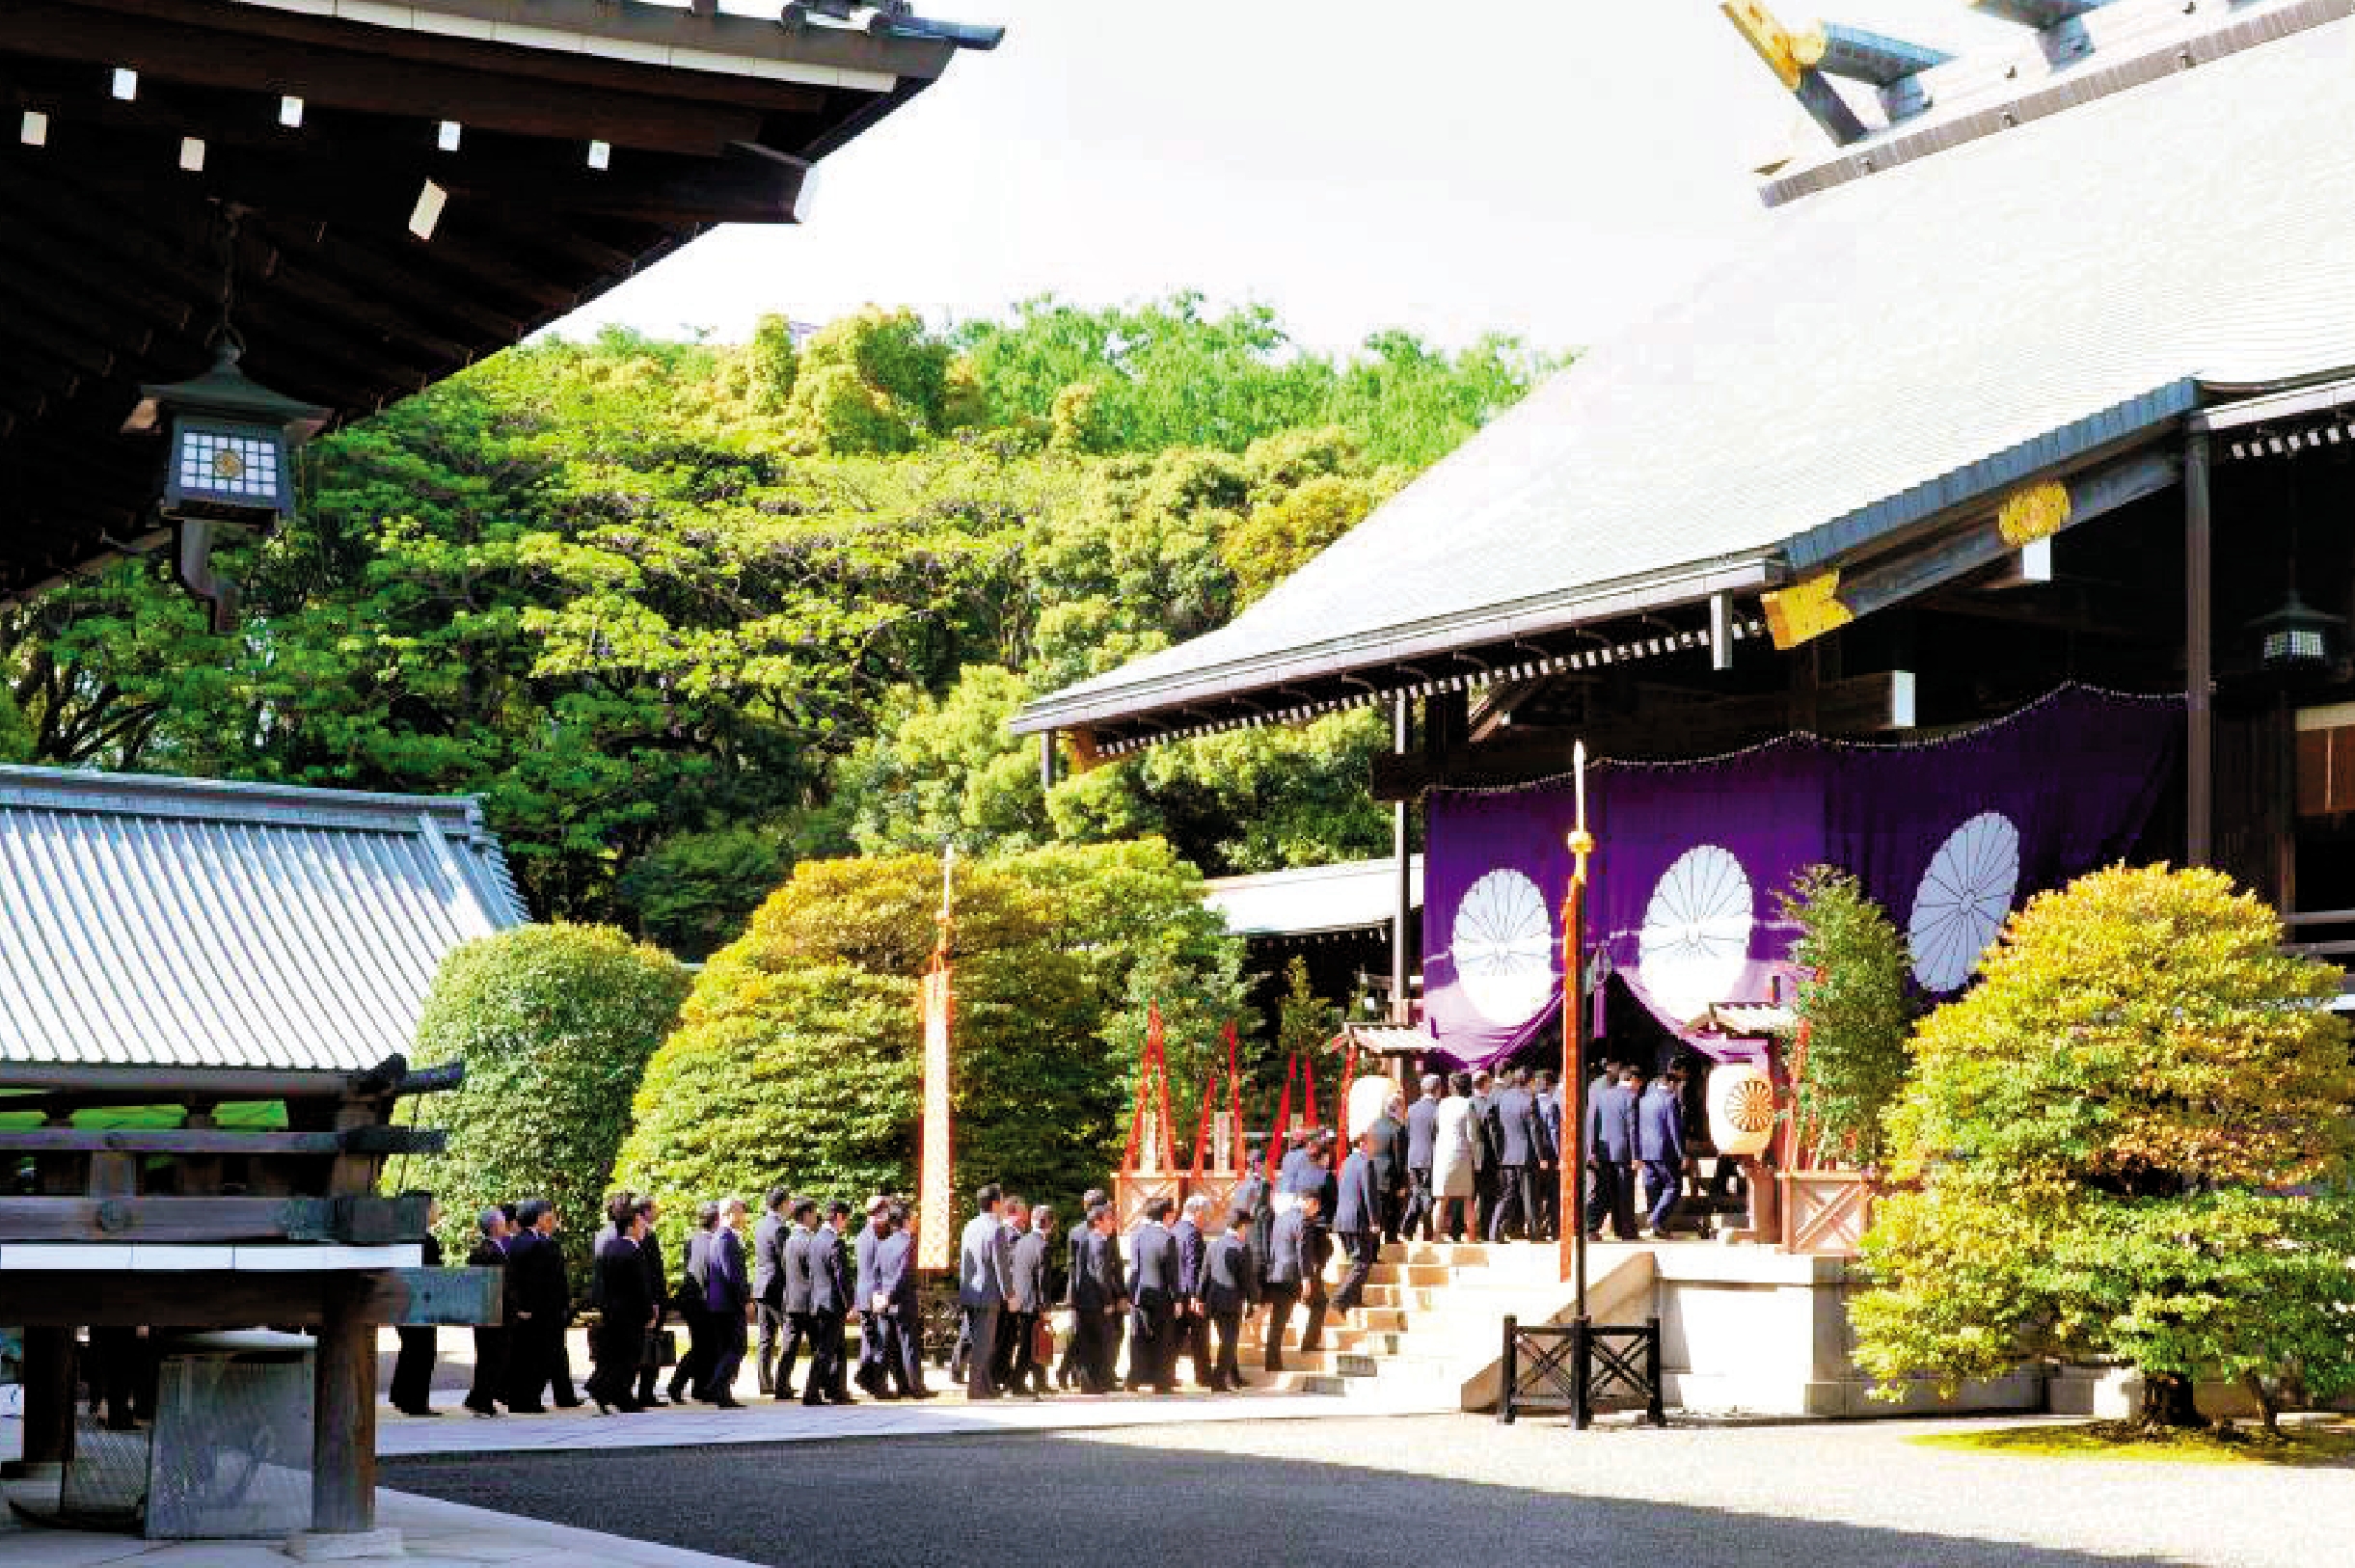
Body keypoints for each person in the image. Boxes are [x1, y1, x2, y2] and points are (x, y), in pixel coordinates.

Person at [587, 1195, 656, 1414]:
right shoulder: (634, 1251)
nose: (644, 1227)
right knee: (629, 1357)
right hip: (631, 1313)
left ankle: (616, 1394)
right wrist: (649, 1312)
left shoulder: (610, 1248)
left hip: (612, 1311)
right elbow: (640, 1286)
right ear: (630, 1226)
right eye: (641, 1224)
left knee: (614, 1354)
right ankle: (610, 1391)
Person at [502, 1198, 571, 1413]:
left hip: (534, 1309)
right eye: (547, 1217)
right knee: (535, 1358)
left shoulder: (523, 1241)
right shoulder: (534, 1243)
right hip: (538, 1311)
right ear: (538, 1218)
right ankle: (527, 1399)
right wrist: (525, 1306)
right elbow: (533, 1280)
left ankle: (523, 1399)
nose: (551, 1221)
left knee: (527, 1356)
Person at [389, 1195, 444, 1417]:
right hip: (421, 1303)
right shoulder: (425, 1241)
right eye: (434, 1206)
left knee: (410, 1349)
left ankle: (401, 1395)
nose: (437, 1210)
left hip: (401, 1302)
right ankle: (415, 1402)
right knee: (423, 1352)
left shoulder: (400, 1237)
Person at [958, 1182, 1012, 1399]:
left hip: (970, 1291)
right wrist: (1010, 1294)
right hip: (988, 1293)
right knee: (984, 1344)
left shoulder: (969, 1226)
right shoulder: (996, 1229)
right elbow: (1000, 1265)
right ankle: (977, 1388)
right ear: (995, 1203)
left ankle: (986, 1386)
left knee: (979, 1341)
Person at [872, 1203, 930, 1398]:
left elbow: (877, 1274)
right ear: (905, 1220)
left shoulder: (883, 1243)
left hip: (885, 1302)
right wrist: (890, 1296)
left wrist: (880, 1295)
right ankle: (915, 1386)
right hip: (902, 1301)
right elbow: (903, 1274)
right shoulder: (909, 1243)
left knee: (886, 1346)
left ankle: (881, 1384)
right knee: (908, 1345)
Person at [1201, 1205, 1259, 1391]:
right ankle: (1218, 1380)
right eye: (1246, 1227)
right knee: (1229, 1342)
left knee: (1226, 1340)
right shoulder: (1242, 1248)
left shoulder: (1212, 1244)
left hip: (1213, 1300)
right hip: (1232, 1302)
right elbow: (1247, 1279)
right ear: (1241, 1227)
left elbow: (1204, 1274)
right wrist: (1254, 1301)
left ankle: (1233, 1377)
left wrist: (1199, 1297)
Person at [1057, 1187, 1108, 1390]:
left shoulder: (1076, 1230)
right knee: (1085, 1336)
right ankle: (1076, 1373)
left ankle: (1081, 1373)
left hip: (1080, 1288)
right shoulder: (1089, 1230)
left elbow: (1071, 1265)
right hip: (1091, 1291)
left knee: (1081, 1335)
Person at [1125, 1197, 1178, 1393]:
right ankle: (1161, 1381)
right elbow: (1172, 1273)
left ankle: (1135, 1378)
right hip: (1162, 1295)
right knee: (1163, 1340)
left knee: (1139, 1338)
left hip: (1140, 1293)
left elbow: (1135, 1267)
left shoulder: (1139, 1235)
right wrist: (1178, 1298)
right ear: (1166, 1215)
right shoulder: (1168, 1238)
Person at [1260, 1189, 1317, 1373]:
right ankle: (1305, 1345)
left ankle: (1272, 1360)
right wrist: (1306, 1278)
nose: (1315, 1211)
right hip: (1292, 1276)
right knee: (1318, 1304)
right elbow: (1303, 1252)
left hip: (1276, 1272)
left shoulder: (1281, 1217)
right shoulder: (1302, 1221)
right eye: (1315, 1206)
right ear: (1309, 1202)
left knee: (1278, 1320)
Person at [803, 1200, 853, 1405]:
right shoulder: (834, 1242)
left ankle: (837, 1390)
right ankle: (812, 1392)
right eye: (846, 1220)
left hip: (818, 1302)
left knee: (837, 1349)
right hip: (832, 1304)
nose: (846, 1224)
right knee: (826, 1350)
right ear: (840, 1217)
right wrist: (850, 1303)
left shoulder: (815, 1240)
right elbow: (841, 1276)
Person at [669, 1201, 718, 1405]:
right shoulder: (707, 1242)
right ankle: (677, 1385)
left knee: (704, 1346)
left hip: (693, 1299)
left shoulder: (694, 1240)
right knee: (703, 1346)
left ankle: (700, 1387)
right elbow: (702, 1274)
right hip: (699, 1301)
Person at [1487, 1068, 1545, 1243]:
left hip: (1508, 1154)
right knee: (1530, 1196)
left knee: (1507, 1195)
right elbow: (1534, 1131)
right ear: (1530, 1081)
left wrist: (1500, 1150)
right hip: (1526, 1155)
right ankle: (1535, 1233)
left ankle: (1494, 1231)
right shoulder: (1529, 1100)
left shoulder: (1502, 1098)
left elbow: (1495, 1126)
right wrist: (1541, 1156)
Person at [702, 1198, 749, 1406]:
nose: (743, 1217)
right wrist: (745, 1299)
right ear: (730, 1213)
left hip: (721, 1303)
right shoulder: (725, 1238)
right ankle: (716, 1384)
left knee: (726, 1349)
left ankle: (723, 1394)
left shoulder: (722, 1237)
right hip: (728, 1304)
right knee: (737, 1346)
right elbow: (732, 1274)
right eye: (740, 1212)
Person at [463, 1207, 509, 1418]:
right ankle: (481, 1401)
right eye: (502, 1222)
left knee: (489, 1358)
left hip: (488, 1311)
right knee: (491, 1358)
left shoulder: (483, 1250)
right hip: (493, 1311)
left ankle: (481, 1400)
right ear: (495, 1226)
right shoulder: (489, 1252)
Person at [1586, 1064, 1641, 1241]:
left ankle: (1592, 1227)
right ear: (1632, 1080)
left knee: (1603, 1190)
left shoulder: (1602, 1096)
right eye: (1638, 1082)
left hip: (1603, 1150)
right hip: (1623, 1152)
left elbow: (1593, 1124)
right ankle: (1625, 1229)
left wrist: (1592, 1150)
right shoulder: (1630, 1097)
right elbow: (1632, 1128)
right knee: (1625, 1192)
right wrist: (1636, 1156)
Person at [1329, 1130, 1381, 1314]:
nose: (1375, 1145)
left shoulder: (1346, 1163)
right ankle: (1339, 1299)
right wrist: (1375, 1220)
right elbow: (1370, 1194)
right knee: (1362, 1264)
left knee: (1356, 1261)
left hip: (1343, 1220)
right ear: (1363, 1143)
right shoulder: (1365, 1163)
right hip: (1358, 1221)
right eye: (1373, 1141)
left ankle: (1354, 1300)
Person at [629, 1195, 671, 1407]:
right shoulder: (643, 1236)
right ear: (644, 1212)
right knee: (647, 1347)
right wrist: (654, 1301)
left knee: (651, 1347)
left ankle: (647, 1391)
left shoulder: (647, 1234)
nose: (657, 1212)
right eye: (654, 1208)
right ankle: (644, 1392)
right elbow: (648, 1272)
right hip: (651, 1300)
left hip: (654, 1299)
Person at [1009, 1203, 1054, 1398]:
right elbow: (1042, 1280)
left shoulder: (1022, 1241)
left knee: (1031, 1342)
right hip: (1034, 1301)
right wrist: (1045, 1306)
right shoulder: (1043, 1246)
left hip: (1021, 1298)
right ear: (1050, 1223)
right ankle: (1017, 1383)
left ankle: (1039, 1381)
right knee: (1029, 1346)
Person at [752, 1187, 793, 1398]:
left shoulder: (761, 1225)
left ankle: (764, 1382)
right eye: (789, 1202)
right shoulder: (779, 1228)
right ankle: (781, 1382)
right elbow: (785, 1261)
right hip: (776, 1287)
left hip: (761, 1286)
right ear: (782, 1204)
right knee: (788, 1333)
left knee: (765, 1337)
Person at [1639, 1065, 1687, 1238]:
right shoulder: (1669, 1100)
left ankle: (1657, 1227)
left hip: (1646, 1151)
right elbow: (1674, 1129)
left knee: (1652, 1188)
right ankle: (1655, 1218)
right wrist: (1682, 1154)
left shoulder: (1644, 1099)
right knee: (1673, 1186)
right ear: (1670, 1083)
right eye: (1677, 1084)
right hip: (1664, 1150)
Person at [853, 1198, 893, 1398]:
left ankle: (866, 1377)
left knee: (869, 1341)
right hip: (874, 1295)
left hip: (865, 1295)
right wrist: (880, 1294)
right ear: (876, 1214)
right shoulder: (874, 1238)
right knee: (879, 1342)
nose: (886, 1218)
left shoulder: (863, 1236)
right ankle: (876, 1383)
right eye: (884, 1212)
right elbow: (875, 1270)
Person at [1171, 1194, 1212, 1390]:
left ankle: (1167, 1373)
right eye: (1205, 1214)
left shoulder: (1175, 1229)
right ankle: (1203, 1376)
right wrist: (1196, 1296)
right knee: (1200, 1336)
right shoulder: (1193, 1234)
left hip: (1177, 1292)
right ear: (1197, 1213)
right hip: (1191, 1294)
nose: (1206, 1219)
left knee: (1176, 1335)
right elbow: (1193, 1266)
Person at [780, 1197, 819, 1401]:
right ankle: (818, 1386)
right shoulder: (809, 1241)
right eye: (813, 1213)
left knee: (789, 1346)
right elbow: (813, 1273)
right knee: (818, 1347)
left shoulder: (789, 1240)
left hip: (791, 1299)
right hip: (807, 1301)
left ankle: (781, 1385)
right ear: (805, 1215)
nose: (815, 1217)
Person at [1432, 1071, 1477, 1243]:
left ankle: (1436, 1236)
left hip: (1443, 1153)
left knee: (1441, 1199)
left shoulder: (1442, 1104)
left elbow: (1436, 1127)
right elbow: (1472, 1136)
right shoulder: (1468, 1104)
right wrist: (1477, 1160)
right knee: (1467, 1198)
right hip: (1462, 1154)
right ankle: (1471, 1237)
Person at [1403, 1075, 1442, 1243]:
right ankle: (1427, 1231)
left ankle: (1408, 1228)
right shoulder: (1438, 1110)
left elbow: (1407, 1133)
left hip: (1413, 1157)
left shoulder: (1411, 1109)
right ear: (1438, 1089)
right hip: (1430, 1157)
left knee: (1418, 1192)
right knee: (1426, 1194)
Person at [1367, 1092, 1408, 1245]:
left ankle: (1374, 1245)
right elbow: (1400, 1159)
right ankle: (1391, 1238)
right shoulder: (1398, 1129)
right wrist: (1402, 1183)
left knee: (1376, 1212)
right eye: (1403, 1106)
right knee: (1393, 1209)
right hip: (1390, 1176)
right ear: (1397, 1107)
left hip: (1372, 1173)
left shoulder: (1373, 1125)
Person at [1532, 1069, 1563, 1242]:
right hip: (1550, 1153)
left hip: (1535, 1155)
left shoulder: (1532, 1102)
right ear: (1551, 1086)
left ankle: (1539, 1227)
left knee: (1537, 1194)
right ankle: (1554, 1229)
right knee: (1553, 1194)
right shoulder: (1552, 1105)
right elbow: (1554, 1131)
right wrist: (1560, 1156)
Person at [1468, 1068, 1501, 1237]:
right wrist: (1500, 1156)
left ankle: (1471, 1230)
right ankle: (1486, 1229)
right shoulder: (1490, 1105)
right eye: (1490, 1082)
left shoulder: (1468, 1103)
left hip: (1470, 1156)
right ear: (1485, 1084)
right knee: (1488, 1195)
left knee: (1471, 1196)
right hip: (1488, 1156)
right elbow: (1494, 1134)